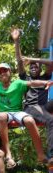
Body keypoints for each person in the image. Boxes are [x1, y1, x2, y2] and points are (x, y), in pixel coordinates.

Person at [11, 27, 53, 164]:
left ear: (40, 68)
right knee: (51, 120)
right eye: (32, 67)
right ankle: (52, 154)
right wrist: (17, 42)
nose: (33, 68)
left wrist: (33, 59)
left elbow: (51, 64)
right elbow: (19, 61)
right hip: (31, 107)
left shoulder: (45, 77)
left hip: (44, 106)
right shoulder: (25, 79)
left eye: (36, 67)